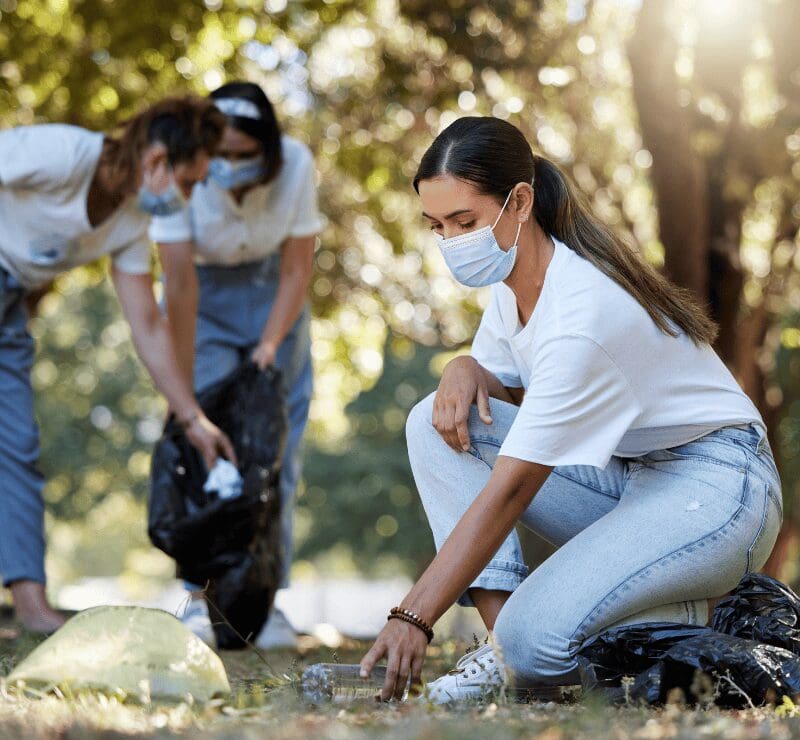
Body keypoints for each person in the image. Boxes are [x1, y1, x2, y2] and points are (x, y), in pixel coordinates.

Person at [360, 116, 783, 703]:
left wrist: (413, 615)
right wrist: (463, 366)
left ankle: (719, 612)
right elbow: (490, 396)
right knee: (432, 422)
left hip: (718, 487)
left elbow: (512, 489)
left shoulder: (581, 314)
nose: (453, 243)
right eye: (438, 226)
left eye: (465, 221)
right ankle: (500, 650)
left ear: (520, 201)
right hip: (633, 481)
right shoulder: (513, 287)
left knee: (537, 645)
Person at [0, 96, 236, 632]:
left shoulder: (129, 225)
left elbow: (147, 327)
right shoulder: (61, 152)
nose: (190, 195)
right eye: (191, 181)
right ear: (156, 161)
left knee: (15, 448)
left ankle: (32, 607)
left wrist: (191, 417)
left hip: (10, 310)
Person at [151, 81, 323, 648]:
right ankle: (199, 600)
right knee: (206, 454)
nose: (227, 165)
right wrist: (186, 394)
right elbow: (177, 281)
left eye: (242, 155)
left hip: (275, 300)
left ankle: (266, 602)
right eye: (218, 155)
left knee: (278, 460)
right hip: (199, 302)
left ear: (267, 150)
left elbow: (298, 269)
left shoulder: (296, 165)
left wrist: (270, 344)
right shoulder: (183, 172)